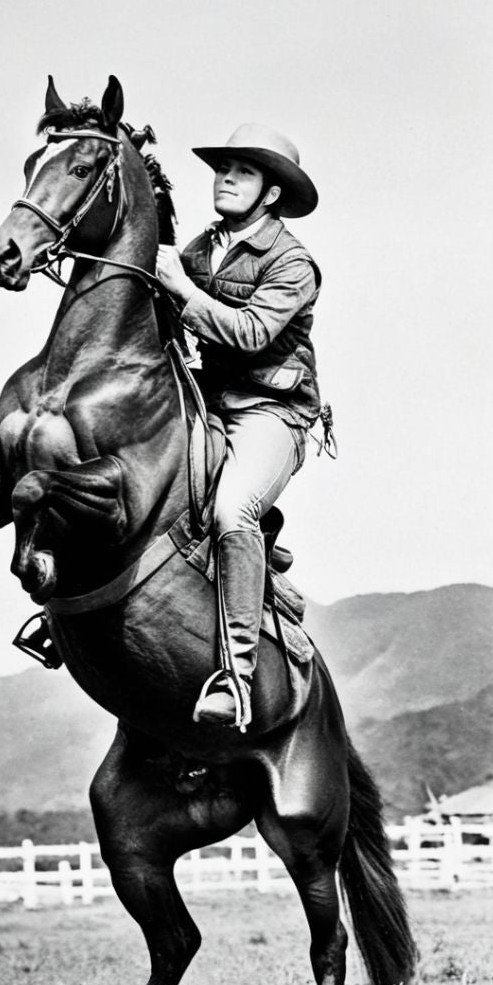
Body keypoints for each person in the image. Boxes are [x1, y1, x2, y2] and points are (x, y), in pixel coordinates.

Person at [154, 123, 326, 729]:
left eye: (243, 171)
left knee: (233, 514)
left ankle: (238, 677)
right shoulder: (200, 249)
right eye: (222, 167)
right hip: (206, 403)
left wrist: (178, 286)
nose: (224, 178)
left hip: (270, 412)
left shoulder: (293, 263)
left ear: (271, 193)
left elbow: (252, 333)